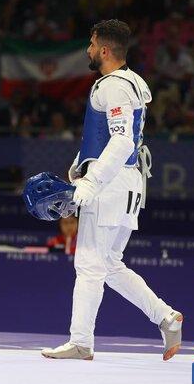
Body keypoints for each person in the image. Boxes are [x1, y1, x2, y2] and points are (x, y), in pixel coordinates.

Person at [41, 20, 183, 362]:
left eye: (91, 44)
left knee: (89, 264)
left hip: (112, 184)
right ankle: (166, 317)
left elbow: (121, 141)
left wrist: (92, 181)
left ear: (104, 50)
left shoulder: (114, 86)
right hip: (126, 183)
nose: (88, 50)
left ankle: (81, 342)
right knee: (108, 264)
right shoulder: (129, 82)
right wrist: (80, 165)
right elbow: (110, 137)